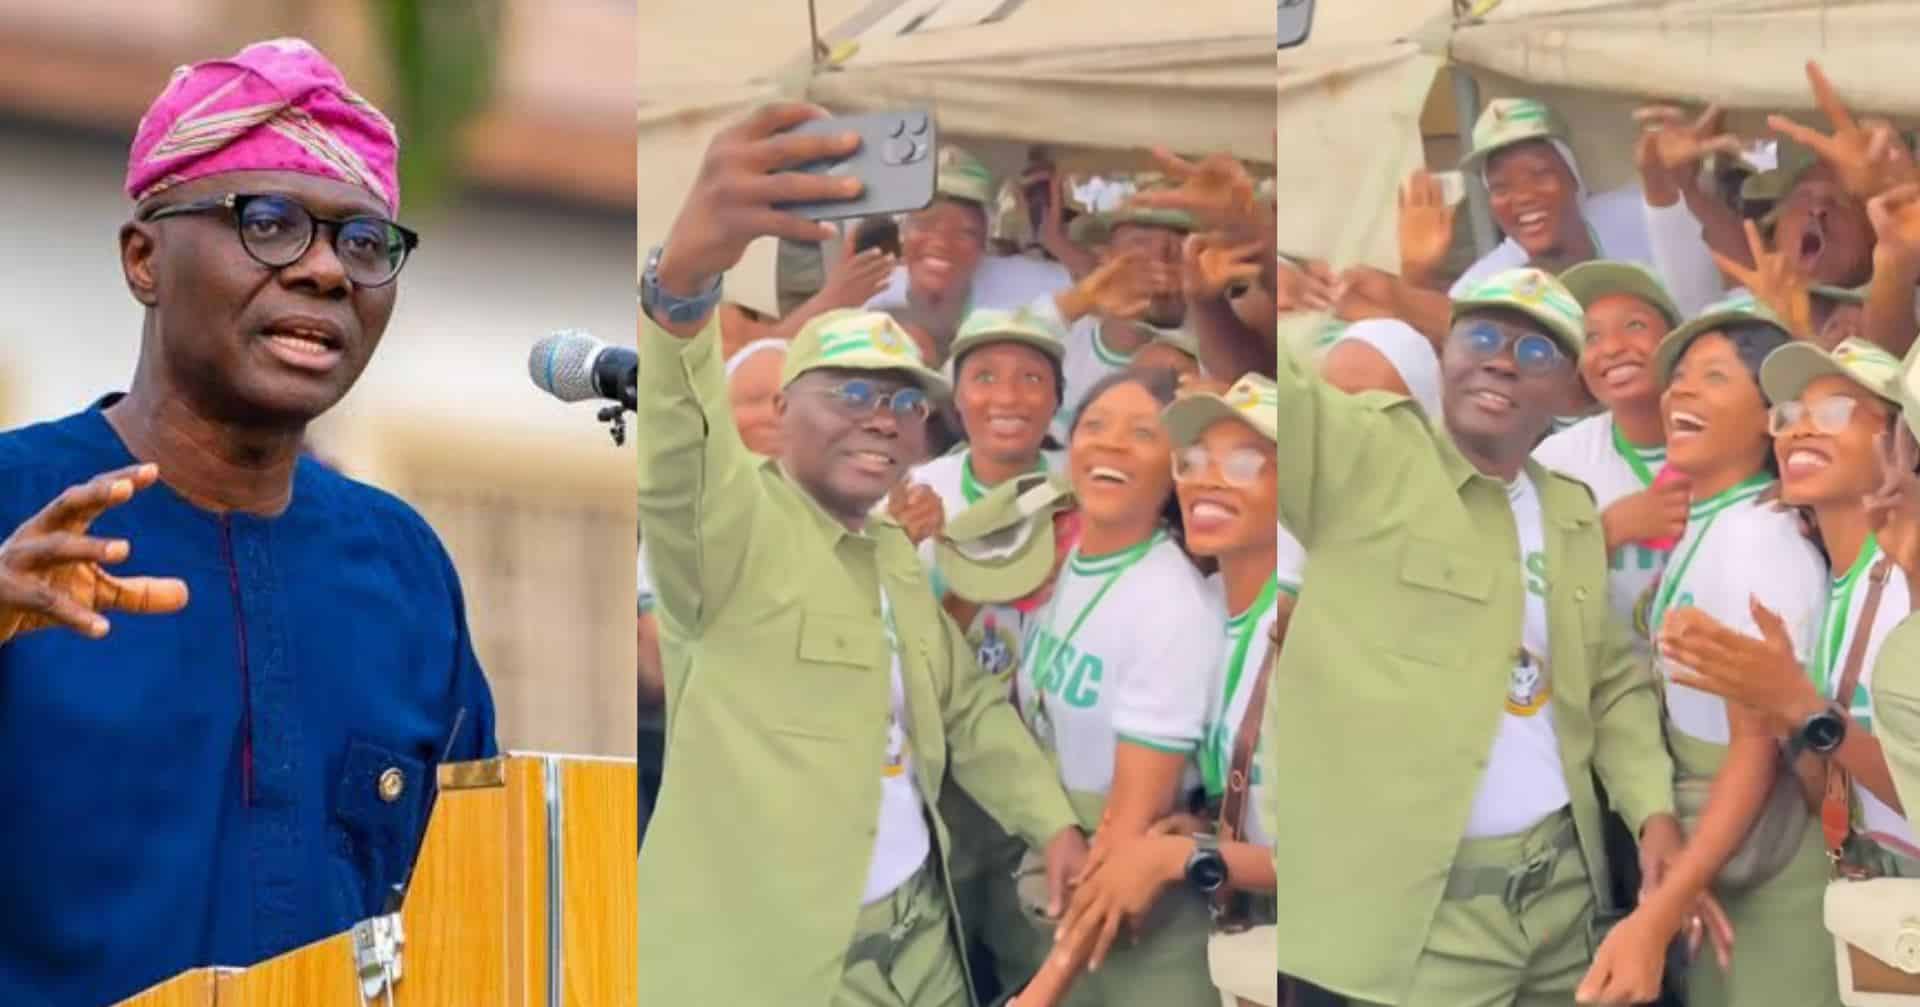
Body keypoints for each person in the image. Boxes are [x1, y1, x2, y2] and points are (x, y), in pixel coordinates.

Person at [0, 39, 497, 1007]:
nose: (323, 271)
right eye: (267, 222)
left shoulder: (404, 572)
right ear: (144, 257)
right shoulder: (13, 508)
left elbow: (472, 903)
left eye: (362, 241)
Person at [635, 102, 1089, 1007]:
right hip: (781, 958)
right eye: (850, 391)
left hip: (921, 935)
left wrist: (1055, 824)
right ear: (781, 410)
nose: (884, 415)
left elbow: (965, 709)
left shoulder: (886, 548)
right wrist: (684, 283)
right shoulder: (728, 533)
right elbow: (679, 449)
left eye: (906, 401)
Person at [1271, 268, 1678, 1006]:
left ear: (1565, 394)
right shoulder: (1368, 459)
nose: (1500, 359)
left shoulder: (1573, 512)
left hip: (1562, 912)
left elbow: (1611, 680)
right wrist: (1232, 300)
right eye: (1482, 336)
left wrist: (1652, 809)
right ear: (1445, 355)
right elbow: (1282, 409)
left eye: (1536, 352)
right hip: (1407, 929)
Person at [1582, 295, 1833, 1007]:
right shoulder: (1715, 521)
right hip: (1722, 857)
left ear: (1769, 418)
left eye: (1715, 377)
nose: (1680, 390)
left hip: (1768, 866)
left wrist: (1660, 910)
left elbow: (1756, 750)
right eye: (1681, 375)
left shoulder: (1760, 537)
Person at [985, 368, 1223, 1006]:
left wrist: (1042, 989)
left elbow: (1130, 826)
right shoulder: (1064, 564)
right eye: (1094, 426)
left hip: (1132, 926)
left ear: (1176, 470)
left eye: (1142, 433)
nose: (1112, 444)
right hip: (1067, 887)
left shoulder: (1171, 602)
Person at [1054, 373, 1285, 1007]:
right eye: (1194, 460)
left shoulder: (1313, 635)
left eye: (1244, 463)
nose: (1209, 478)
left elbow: (1347, 860)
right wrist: (1203, 826)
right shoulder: (1215, 605)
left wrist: (1177, 859)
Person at [1660, 338, 1920, 880]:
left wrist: (1804, 709)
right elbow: (1836, 789)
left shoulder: (1906, 580)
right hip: (1876, 885)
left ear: (1901, 441)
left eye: (1833, 412)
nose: (1801, 428)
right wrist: (1781, 715)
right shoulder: (1835, 580)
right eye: (1791, 415)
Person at [1532, 261, 1687, 653]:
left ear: (1674, 340)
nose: (1613, 348)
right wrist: (1609, 531)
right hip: (1619, 696)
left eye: (1634, 325)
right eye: (1591, 338)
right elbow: (1520, 586)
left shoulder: (1729, 442)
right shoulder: (1554, 462)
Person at [865, 145, 1072, 361]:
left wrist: (1059, 244)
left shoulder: (1021, 284)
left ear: (984, 243)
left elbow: (1101, 288)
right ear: (903, 233)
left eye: (964, 232)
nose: (942, 242)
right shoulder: (871, 296)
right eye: (925, 224)